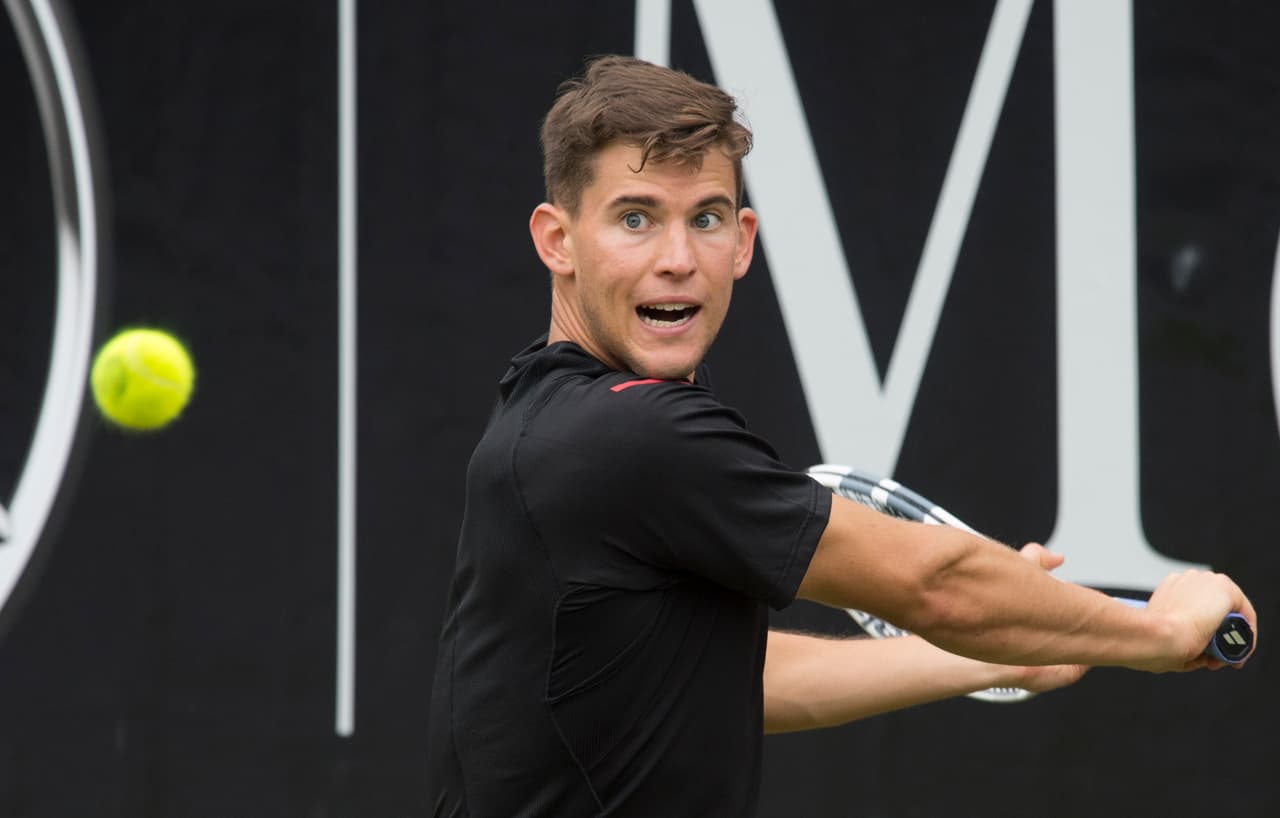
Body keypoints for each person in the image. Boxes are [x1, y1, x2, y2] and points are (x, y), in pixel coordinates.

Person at [425, 55, 1257, 817]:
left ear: (743, 243)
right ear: (557, 240)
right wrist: (1158, 632)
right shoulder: (630, 434)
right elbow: (939, 584)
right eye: (635, 218)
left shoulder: (541, 417)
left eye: (706, 219)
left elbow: (730, 680)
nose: (678, 257)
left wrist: (994, 658)